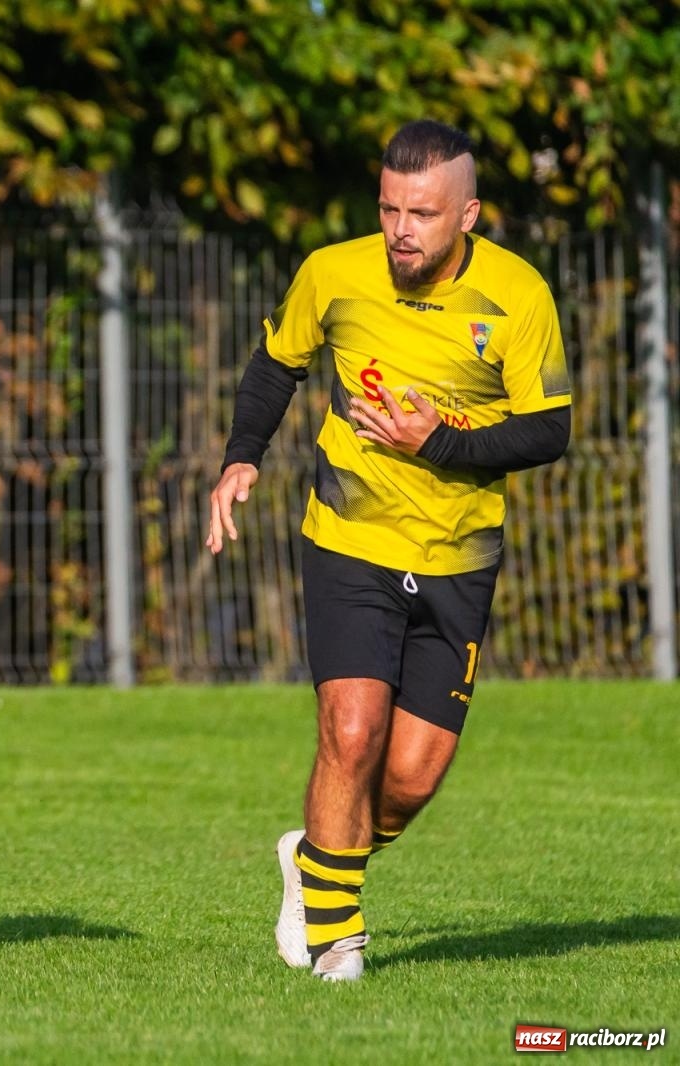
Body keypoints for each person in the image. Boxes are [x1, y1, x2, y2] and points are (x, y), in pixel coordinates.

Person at [206, 120, 572, 981]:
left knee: (407, 780)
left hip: (460, 558)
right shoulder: (332, 272)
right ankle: (339, 943)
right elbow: (275, 363)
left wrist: (436, 440)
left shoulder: (519, 298)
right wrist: (241, 457)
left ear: (468, 215)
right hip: (349, 538)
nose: (401, 229)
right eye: (388, 209)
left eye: (422, 213)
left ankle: (316, 860)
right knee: (351, 728)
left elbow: (549, 429)